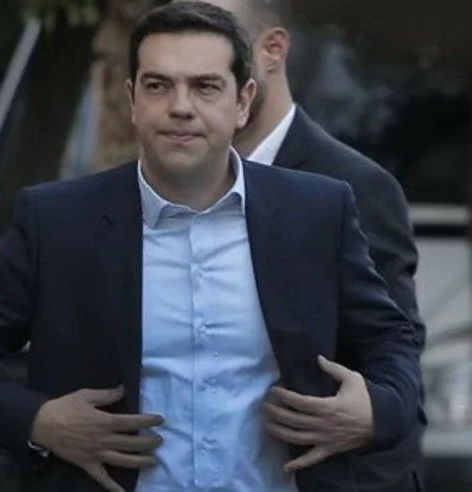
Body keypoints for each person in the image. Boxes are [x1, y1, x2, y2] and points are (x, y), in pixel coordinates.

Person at [0, 2, 421, 491]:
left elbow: (391, 339)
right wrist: (38, 421)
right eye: (158, 86)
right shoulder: (59, 223)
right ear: (132, 100)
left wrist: (376, 411)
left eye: (205, 87)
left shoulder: (317, 212)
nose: (180, 107)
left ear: (242, 102)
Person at [177, 0, 428, 490]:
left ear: (272, 49)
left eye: (218, 49)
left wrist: (372, 418)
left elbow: (395, 377)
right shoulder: (155, 186)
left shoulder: (355, 187)